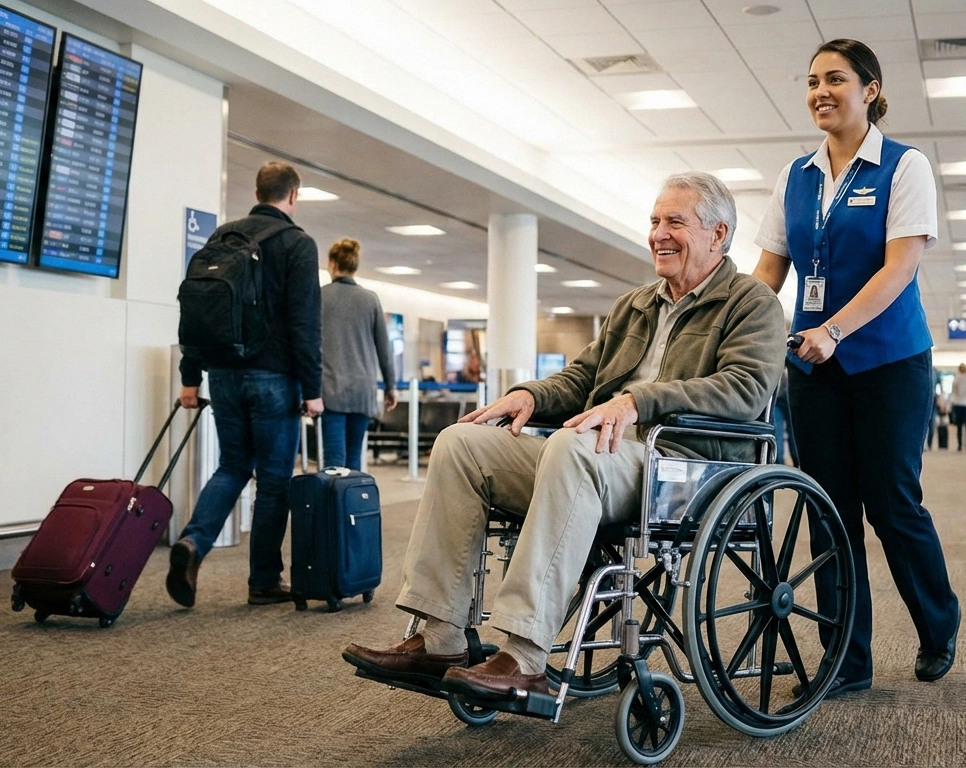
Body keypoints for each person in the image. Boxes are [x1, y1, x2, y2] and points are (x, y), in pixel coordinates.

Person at [340, 172, 786, 700]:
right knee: (461, 443)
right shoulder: (635, 305)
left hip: (680, 465)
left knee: (573, 448)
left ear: (719, 234)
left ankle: (525, 655)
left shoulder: (751, 303)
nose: (658, 234)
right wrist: (530, 396)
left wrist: (639, 401)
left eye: (675, 222)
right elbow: (582, 378)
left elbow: (743, 389)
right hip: (598, 454)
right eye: (654, 221)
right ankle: (439, 637)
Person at [751, 38, 960, 694]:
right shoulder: (796, 177)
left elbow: (900, 267)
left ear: (869, 90)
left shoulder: (903, 166)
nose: (820, 91)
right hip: (814, 368)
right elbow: (768, 272)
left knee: (892, 502)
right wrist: (732, 323)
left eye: (835, 79)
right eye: (813, 80)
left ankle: (938, 624)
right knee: (828, 510)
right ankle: (846, 658)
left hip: (889, 360)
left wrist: (836, 329)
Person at [170, 162, 323, 607]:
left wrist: (189, 379)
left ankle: (193, 542)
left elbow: (196, 315)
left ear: (257, 192)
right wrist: (312, 389)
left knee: (233, 466)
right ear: (292, 195)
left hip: (222, 374)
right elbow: (304, 324)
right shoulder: (297, 243)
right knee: (274, 482)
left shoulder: (221, 238)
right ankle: (264, 581)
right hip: (274, 377)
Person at [320, 237, 397, 470]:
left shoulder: (319, 296)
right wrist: (390, 386)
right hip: (363, 392)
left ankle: (333, 496)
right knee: (354, 459)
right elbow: (384, 348)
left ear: (333, 264)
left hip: (330, 390)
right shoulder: (370, 299)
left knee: (334, 461)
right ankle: (353, 494)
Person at [950, 363, 966, 450]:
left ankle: (960, 445)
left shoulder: (956, 379)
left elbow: (953, 393)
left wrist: (950, 404)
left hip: (958, 404)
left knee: (959, 426)